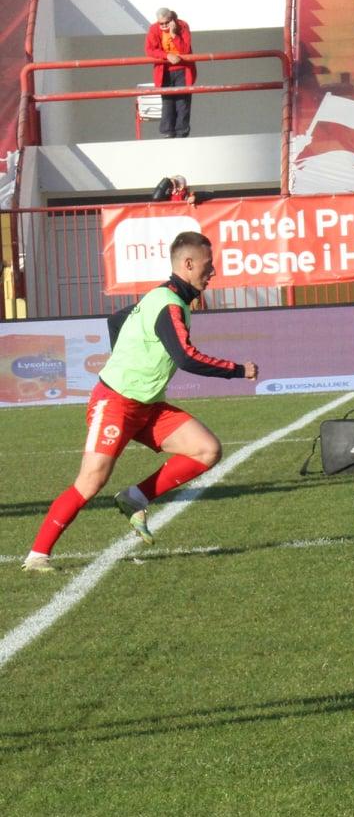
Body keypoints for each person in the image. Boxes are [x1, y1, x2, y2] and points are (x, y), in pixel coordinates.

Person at [22, 232, 257, 572]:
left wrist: (127, 356)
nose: (214, 271)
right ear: (188, 264)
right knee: (91, 481)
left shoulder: (165, 298)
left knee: (206, 449)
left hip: (146, 405)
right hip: (115, 403)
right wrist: (238, 370)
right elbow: (187, 357)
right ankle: (37, 555)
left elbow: (116, 320)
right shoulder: (169, 305)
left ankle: (136, 497)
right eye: (208, 265)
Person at [144, 8, 194, 139]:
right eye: (161, 24)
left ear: (172, 20)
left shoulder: (182, 26)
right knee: (167, 101)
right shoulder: (154, 29)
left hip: (183, 69)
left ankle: (182, 131)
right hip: (164, 71)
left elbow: (185, 50)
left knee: (182, 101)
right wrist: (167, 56)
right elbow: (150, 50)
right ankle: (168, 131)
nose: (164, 26)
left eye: (166, 23)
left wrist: (173, 34)